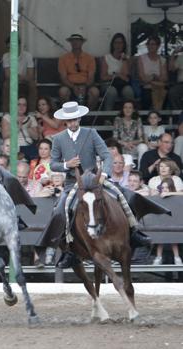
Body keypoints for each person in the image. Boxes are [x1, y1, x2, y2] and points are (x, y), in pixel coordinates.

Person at [36, 102, 151, 269]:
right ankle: (67, 249)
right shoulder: (58, 138)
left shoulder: (91, 133)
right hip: (72, 182)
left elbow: (107, 156)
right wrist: (67, 165)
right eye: (70, 121)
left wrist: (104, 174)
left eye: (75, 120)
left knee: (122, 195)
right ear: (65, 122)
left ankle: (134, 232)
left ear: (79, 118)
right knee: (60, 210)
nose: (73, 123)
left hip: (94, 179)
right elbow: (53, 164)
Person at [58, 34, 100, 109]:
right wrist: (73, 87)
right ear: (70, 43)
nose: (75, 42)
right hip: (69, 85)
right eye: (73, 40)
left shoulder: (90, 58)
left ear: (82, 42)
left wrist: (85, 86)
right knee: (63, 92)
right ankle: (68, 117)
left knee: (95, 92)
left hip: (86, 85)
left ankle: (89, 116)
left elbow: (91, 77)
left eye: (78, 40)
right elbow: (63, 78)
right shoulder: (63, 58)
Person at [2, 36, 37, 112]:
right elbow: (7, 75)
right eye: (9, 47)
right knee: (6, 85)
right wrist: (19, 77)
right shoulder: (5, 56)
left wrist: (18, 77)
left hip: (25, 81)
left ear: (19, 45)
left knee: (32, 84)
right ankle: (6, 113)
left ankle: (31, 112)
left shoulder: (28, 56)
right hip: (12, 81)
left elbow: (30, 75)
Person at [100, 33, 134, 111]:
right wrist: (117, 75)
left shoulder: (127, 59)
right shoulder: (106, 58)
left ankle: (128, 117)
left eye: (121, 43)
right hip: (108, 84)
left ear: (124, 45)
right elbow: (103, 77)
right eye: (116, 42)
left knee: (128, 91)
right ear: (112, 44)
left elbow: (126, 76)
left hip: (122, 84)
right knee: (112, 92)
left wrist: (124, 60)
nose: (118, 45)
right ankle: (107, 118)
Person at [138, 35, 168, 110]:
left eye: (153, 44)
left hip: (159, 86)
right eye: (149, 44)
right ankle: (145, 119)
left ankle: (161, 118)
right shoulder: (141, 58)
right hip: (146, 87)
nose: (150, 46)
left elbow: (164, 78)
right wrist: (155, 77)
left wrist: (151, 78)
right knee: (147, 96)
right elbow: (142, 78)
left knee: (165, 94)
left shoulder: (162, 60)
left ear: (158, 46)